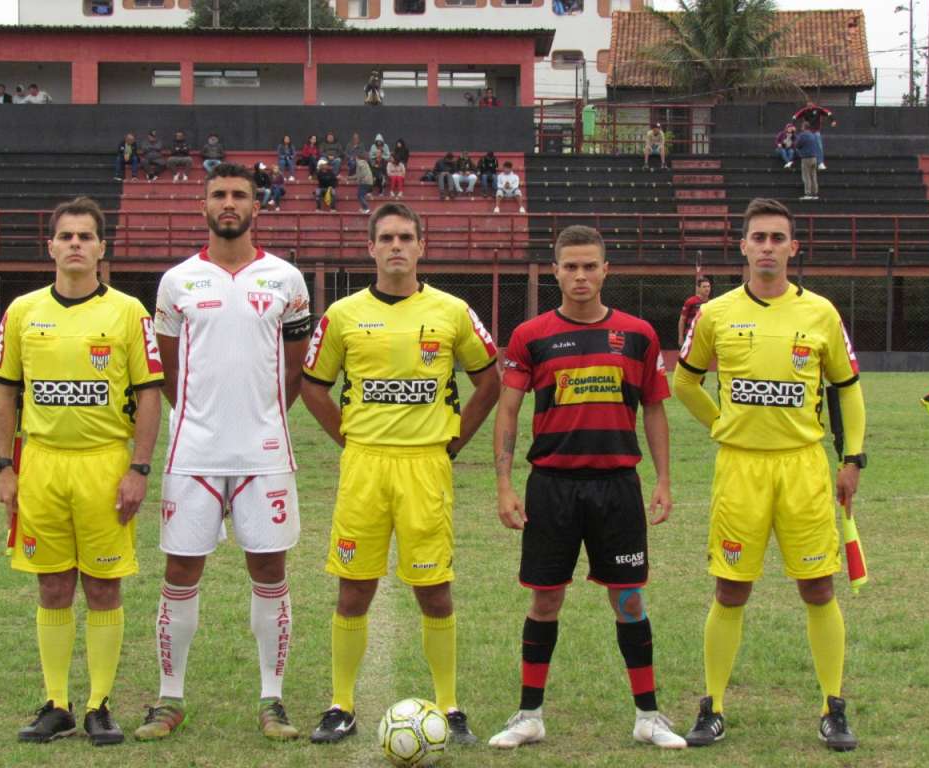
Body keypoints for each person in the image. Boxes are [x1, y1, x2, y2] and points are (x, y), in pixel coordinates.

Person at [302, 202, 501, 747]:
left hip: (425, 466)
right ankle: (341, 703)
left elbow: (490, 379)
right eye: (385, 237)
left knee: (434, 591)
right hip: (364, 465)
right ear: (370, 247)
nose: (395, 246)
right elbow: (311, 385)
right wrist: (347, 436)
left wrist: (455, 437)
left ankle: (449, 705)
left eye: (405, 237)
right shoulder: (341, 315)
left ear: (420, 246)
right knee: (354, 588)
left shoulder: (453, 310)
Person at [673, 197, 865, 753]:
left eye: (778, 238)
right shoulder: (715, 314)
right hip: (741, 469)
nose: (767, 248)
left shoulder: (821, 313)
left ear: (793, 248)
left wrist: (852, 460)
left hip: (803, 468)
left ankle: (833, 705)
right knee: (731, 588)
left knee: (818, 586)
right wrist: (721, 424)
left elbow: (847, 389)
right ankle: (712, 706)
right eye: (758, 237)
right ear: (743, 246)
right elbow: (684, 382)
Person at [489, 224, 686, 752]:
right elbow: (508, 409)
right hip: (551, 486)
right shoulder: (530, 336)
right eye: (570, 266)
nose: (580, 275)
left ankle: (648, 715)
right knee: (545, 600)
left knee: (628, 599)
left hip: (617, 486)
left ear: (605, 270)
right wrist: (505, 483)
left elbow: (654, 409)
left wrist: (663, 479)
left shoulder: (639, 334)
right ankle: (530, 714)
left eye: (589, 266)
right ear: (555, 271)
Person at [135, 163, 312, 743]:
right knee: (180, 571)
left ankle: (272, 699)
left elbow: (293, 370)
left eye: (239, 195)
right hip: (194, 453)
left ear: (257, 207)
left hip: (264, 455)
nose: (229, 203)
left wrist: (260, 417)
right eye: (219, 195)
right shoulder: (177, 281)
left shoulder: (286, 279)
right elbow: (168, 367)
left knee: (270, 571)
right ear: (203, 206)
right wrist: (205, 415)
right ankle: (169, 697)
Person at [0, 196, 164, 746]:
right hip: (41, 463)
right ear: (50, 246)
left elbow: (150, 394)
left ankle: (99, 704)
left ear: (101, 248)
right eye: (65, 236)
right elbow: (4, 393)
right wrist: (3, 466)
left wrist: (139, 467)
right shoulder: (21, 311)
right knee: (53, 582)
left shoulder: (128, 312)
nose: (75, 245)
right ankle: (57, 702)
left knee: (104, 585)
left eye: (85, 237)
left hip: (105, 464)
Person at [792, 100, 836, 171]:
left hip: (816, 131)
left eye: (810, 105)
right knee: (803, 144)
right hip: (808, 132)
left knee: (818, 145)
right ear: (807, 105)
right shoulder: (804, 110)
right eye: (808, 105)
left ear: (813, 104)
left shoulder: (818, 109)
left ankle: (820, 163)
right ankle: (796, 160)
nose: (809, 106)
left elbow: (828, 113)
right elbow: (795, 116)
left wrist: (832, 120)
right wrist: (793, 125)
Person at [678, 276, 712, 347]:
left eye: (708, 286)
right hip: (691, 335)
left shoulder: (712, 303)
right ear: (698, 288)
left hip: (706, 336)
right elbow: (682, 319)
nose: (707, 289)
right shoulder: (690, 301)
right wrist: (680, 336)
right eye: (704, 287)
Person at [796, 121, 819, 201]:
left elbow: (797, 145)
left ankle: (808, 193)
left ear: (804, 127)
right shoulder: (813, 135)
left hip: (806, 158)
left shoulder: (803, 135)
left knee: (806, 176)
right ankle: (815, 193)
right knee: (813, 176)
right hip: (814, 158)